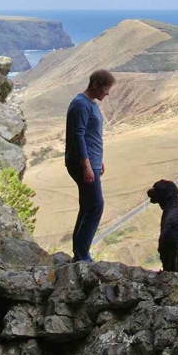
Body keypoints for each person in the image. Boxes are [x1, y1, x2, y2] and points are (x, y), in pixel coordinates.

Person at [65, 69, 115, 262]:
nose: (107, 93)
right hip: (82, 163)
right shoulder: (80, 104)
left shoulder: (91, 104)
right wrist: (86, 165)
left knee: (87, 207)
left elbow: (90, 135)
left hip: (91, 161)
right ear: (95, 85)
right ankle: (82, 256)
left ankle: (79, 253)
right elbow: (78, 136)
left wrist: (97, 160)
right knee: (95, 206)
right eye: (106, 88)